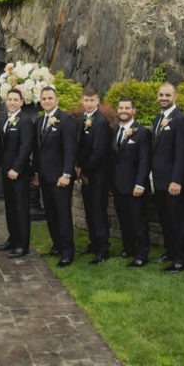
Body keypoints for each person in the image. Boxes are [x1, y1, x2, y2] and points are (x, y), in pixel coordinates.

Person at [150, 83, 184, 272]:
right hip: (159, 180)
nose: (164, 98)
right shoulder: (158, 119)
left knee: (178, 220)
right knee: (166, 219)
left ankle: (182, 258)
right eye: (161, 95)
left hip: (173, 181)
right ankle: (171, 251)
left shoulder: (181, 119)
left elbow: (183, 153)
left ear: (175, 97)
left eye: (167, 95)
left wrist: (177, 180)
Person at [33, 87, 77, 268]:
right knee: (50, 214)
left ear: (57, 100)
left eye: (50, 98)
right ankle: (57, 245)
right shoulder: (39, 121)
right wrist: (36, 172)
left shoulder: (66, 121)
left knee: (63, 214)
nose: (47, 101)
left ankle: (68, 252)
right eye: (44, 98)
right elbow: (37, 150)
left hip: (60, 177)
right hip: (44, 176)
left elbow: (70, 150)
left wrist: (66, 174)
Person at [111, 97, 151, 267]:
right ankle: (128, 249)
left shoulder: (142, 132)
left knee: (139, 221)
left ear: (134, 111)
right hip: (119, 185)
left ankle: (142, 254)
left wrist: (140, 183)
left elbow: (145, 160)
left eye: (127, 108)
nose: (124, 111)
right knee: (124, 220)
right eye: (121, 108)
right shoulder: (115, 131)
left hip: (135, 186)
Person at [75, 87, 113, 265]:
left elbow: (99, 152)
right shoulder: (85, 119)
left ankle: (102, 249)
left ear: (98, 101)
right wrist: (79, 167)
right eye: (86, 100)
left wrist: (85, 171)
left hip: (98, 176)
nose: (88, 103)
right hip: (87, 174)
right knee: (89, 210)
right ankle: (93, 242)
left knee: (98, 211)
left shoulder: (101, 122)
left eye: (92, 100)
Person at [0, 88, 35, 258]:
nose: (11, 102)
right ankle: (13, 239)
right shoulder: (7, 119)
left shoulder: (25, 121)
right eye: (9, 99)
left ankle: (22, 245)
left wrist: (16, 168)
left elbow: (26, 146)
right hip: (7, 172)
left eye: (15, 100)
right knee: (10, 207)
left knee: (20, 208)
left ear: (21, 102)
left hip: (18, 173)